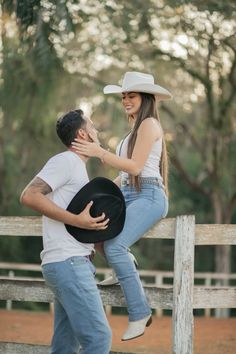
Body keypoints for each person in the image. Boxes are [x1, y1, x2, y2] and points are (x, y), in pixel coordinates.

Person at [72, 71, 172, 341]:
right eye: (124, 96)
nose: (126, 100)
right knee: (98, 236)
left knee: (115, 246)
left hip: (149, 196)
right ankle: (122, 268)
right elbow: (127, 174)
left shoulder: (150, 124)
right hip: (129, 192)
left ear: (146, 97)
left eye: (132, 95)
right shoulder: (134, 130)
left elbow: (137, 167)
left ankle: (139, 313)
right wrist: (101, 193)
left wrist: (99, 152)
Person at [20, 109, 112, 354]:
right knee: (99, 338)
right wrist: (77, 221)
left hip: (67, 263)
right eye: (92, 126)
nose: (96, 131)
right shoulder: (67, 161)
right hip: (69, 263)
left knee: (65, 346)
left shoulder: (77, 169)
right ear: (82, 134)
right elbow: (29, 195)